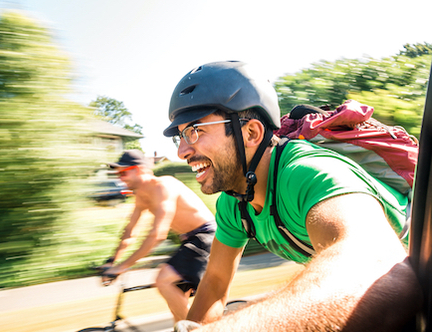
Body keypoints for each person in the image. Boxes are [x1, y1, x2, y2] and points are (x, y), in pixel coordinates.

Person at [162, 61, 422, 331]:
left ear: (251, 133)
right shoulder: (233, 204)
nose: (182, 151)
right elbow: (215, 282)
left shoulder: (306, 173)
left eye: (194, 131)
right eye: (180, 136)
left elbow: (376, 272)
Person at [100, 149, 216, 323]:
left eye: (123, 173)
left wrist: (122, 267)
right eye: (118, 174)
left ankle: (203, 329)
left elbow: (157, 234)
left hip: (205, 237)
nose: (120, 178)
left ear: (138, 170)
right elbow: (130, 232)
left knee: (163, 280)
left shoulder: (164, 186)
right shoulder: (141, 196)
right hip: (189, 241)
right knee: (176, 301)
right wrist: (112, 260)